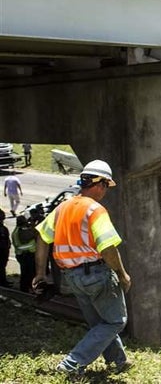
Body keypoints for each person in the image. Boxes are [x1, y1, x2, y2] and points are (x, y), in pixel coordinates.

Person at [33, 159, 132, 375]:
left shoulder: (63, 207)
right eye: (106, 186)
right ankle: (70, 365)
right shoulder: (95, 210)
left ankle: (119, 361)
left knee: (99, 321)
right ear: (101, 184)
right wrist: (122, 275)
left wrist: (40, 273)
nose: (106, 191)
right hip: (96, 274)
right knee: (116, 321)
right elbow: (107, 248)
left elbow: (41, 236)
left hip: (72, 277)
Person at [11, 215, 36, 292]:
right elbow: (30, 236)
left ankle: (26, 287)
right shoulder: (19, 232)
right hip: (24, 254)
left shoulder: (19, 230)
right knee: (27, 273)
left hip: (24, 254)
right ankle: (25, 288)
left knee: (27, 272)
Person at [0, 209, 10, 288]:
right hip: (1, 249)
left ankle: (3, 281)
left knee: (3, 266)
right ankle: (2, 282)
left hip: (4, 250)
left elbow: (7, 239)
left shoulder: (4, 228)